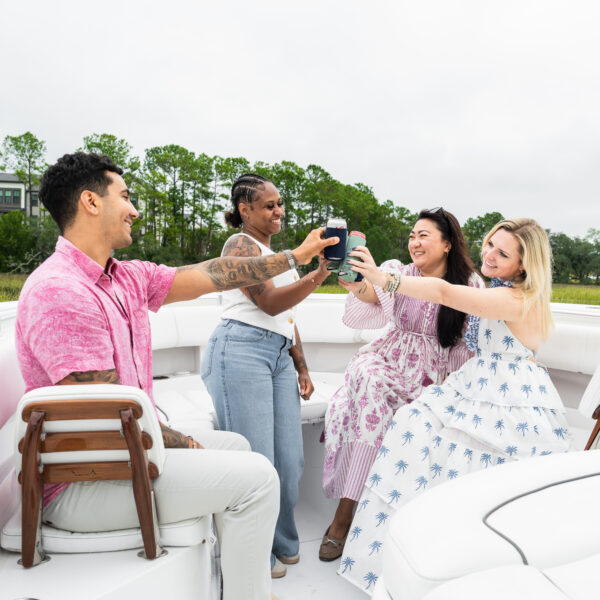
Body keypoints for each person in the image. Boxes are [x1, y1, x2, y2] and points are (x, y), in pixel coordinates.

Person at [15, 153, 338, 600]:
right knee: (258, 479)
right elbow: (105, 413)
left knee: (244, 450)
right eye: (125, 197)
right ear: (90, 202)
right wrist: (188, 445)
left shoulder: (124, 277)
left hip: (124, 455)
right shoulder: (61, 290)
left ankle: (243, 584)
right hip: (86, 481)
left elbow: (213, 274)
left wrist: (296, 256)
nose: (134, 209)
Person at [338, 217, 570, 595]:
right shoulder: (503, 288)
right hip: (480, 381)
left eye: (503, 252)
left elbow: (445, 293)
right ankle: (408, 556)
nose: (490, 255)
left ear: (525, 264)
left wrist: (385, 279)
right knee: (412, 424)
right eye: (490, 244)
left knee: (459, 457)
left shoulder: (515, 298)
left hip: (507, 396)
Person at [320, 208, 483, 561]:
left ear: (447, 244)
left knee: (423, 421)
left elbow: (469, 344)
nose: (415, 241)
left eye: (423, 235)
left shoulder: (469, 284)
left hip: (439, 373)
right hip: (390, 357)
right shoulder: (398, 272)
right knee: (369, 383)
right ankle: (343, 517)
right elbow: (372, 296)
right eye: (412, 235)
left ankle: (388, 526)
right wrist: (359, 281)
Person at [202, 173, 331, 579]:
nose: (279, 211)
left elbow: (287, 320)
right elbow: (272, 304)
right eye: (269, 205)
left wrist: (301, 367)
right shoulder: (239, 246)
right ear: (245, 209)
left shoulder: (275, 254)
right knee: (257, 462)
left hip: (275, 358)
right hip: (239, 352)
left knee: (290, 462)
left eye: (280, 204)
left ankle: (282, 544)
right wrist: (316, 272)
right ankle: (253, 560)